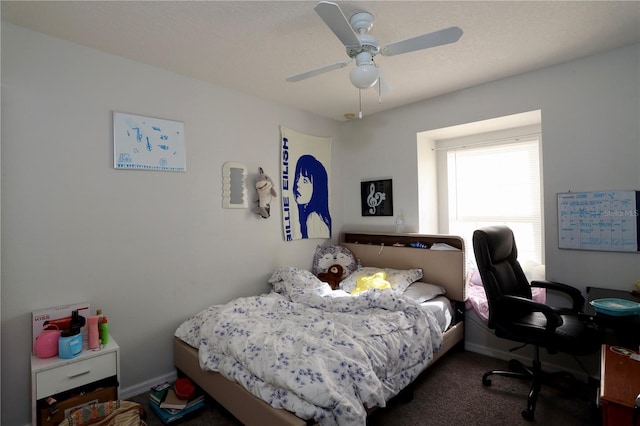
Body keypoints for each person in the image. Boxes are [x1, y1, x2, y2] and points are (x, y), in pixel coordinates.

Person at [293, 154, 331, 238]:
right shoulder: (315, 216)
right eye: (298, 177)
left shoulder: (313, 218)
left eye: (305, 181)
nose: (298, 184)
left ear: (317, 188)